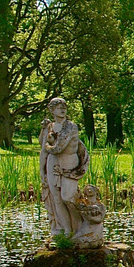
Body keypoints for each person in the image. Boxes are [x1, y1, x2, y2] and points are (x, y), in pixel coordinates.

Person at [40, 97, 90, 242]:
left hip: (68, 164)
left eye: (64, 107)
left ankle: (81, 226)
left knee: (68, 197)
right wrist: (42, 172)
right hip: (52, 164)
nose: (62, 109)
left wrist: (48, 146)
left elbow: (57, 148)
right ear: (51, 110)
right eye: (58, 107)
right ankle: (66, 231)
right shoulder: (50, 127)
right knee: (57, 199)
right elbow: (42, 149)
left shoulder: (71, 126)